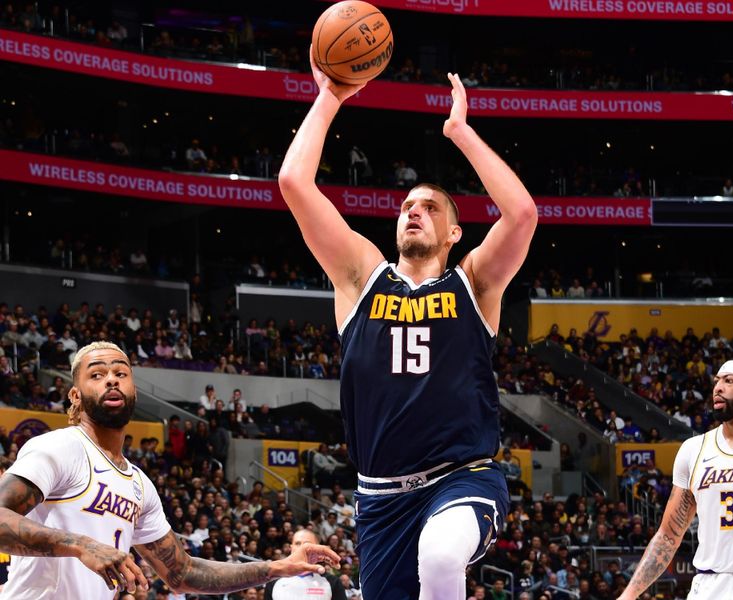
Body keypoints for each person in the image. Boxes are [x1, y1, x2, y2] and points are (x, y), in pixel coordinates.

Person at [278, 47, 537, 600]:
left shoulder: (473, 283)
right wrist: (329, 97)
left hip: (462, 476)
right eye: (406, 206)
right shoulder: (360, 277)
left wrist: (461, 133)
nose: (414, 210)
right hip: (380, 496)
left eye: (431, 207)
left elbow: (522, 214)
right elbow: (294, 183)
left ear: (453, 234)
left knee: (442, 554)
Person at [0, 341, 339, 598]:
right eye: (97, 375)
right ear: (75, 395)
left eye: (121, 373)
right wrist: (80, 544)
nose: (111, 381)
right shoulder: (60, 447)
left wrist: (278, 567)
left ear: (133, 389)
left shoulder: (138, 484)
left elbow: (184, 571)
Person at [619, 359, 733, 600]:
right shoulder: (693, 450)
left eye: (729, 380)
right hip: (708, 585)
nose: (718, 387)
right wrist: (628, 595)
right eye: (716, 381)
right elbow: (668, 535)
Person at [264, 529, 346, 600]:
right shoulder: (273, 581)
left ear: (317, 548)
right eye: (298, 543)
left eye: (307, 544)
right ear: (291, 547)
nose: (302, 548)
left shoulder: (333, 582)